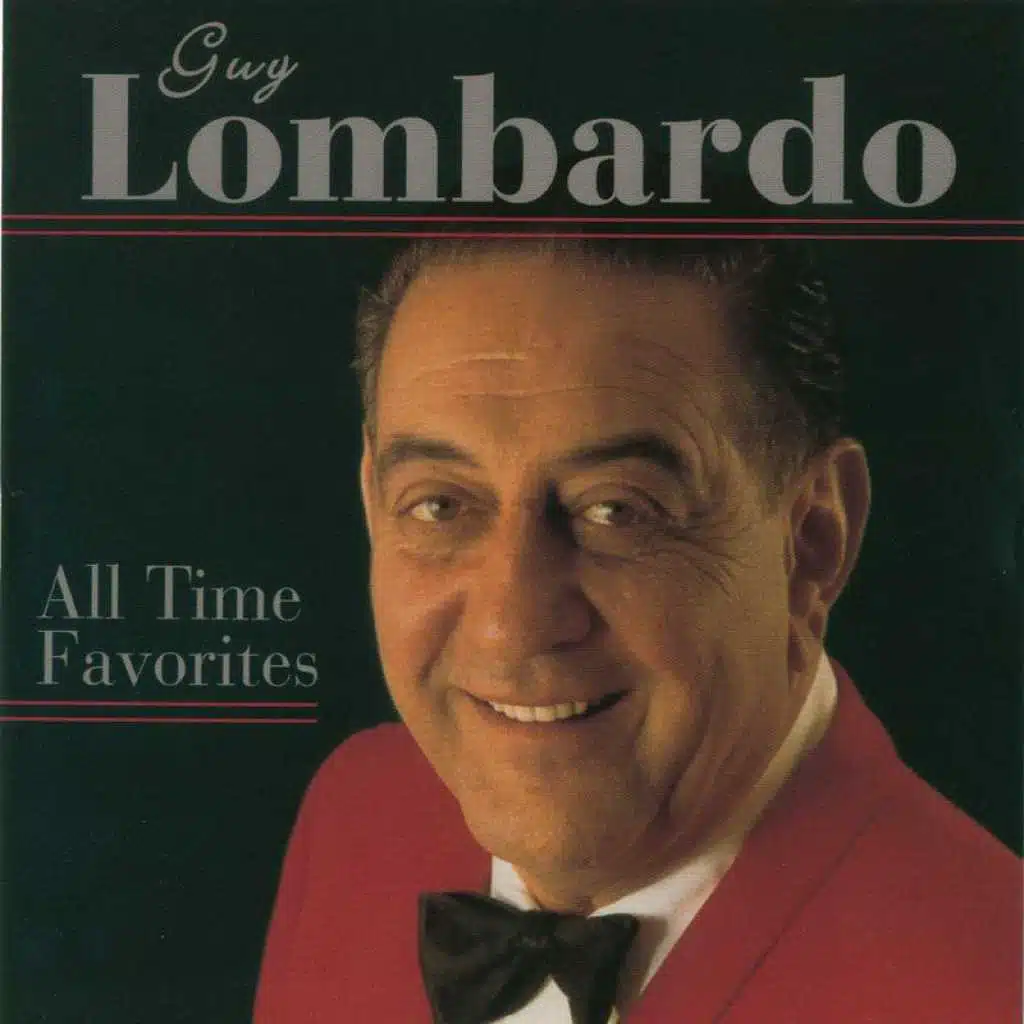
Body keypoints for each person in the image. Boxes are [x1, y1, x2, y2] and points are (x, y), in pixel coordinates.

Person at [254, 233, 1020, 1023]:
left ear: (812, 544)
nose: (509, 627)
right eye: (441, 505)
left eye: (618, 509)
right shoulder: (358, 810)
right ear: (372, 507)